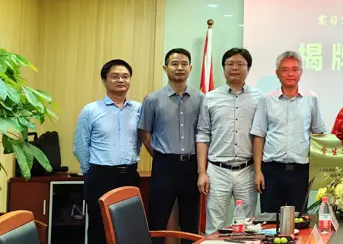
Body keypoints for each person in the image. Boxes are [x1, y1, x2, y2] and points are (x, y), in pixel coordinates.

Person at [138, 48, 203, 244]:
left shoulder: (201, 99)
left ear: (190, 68)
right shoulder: (152, 99)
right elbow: (145, 133)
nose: (179, 68)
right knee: (157, 219)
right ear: (165, 68)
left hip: (191, 166)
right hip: (164, 165)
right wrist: (159, 156)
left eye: (184, 64)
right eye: (174, 64)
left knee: (190, 221)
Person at [73, 59, 142, 244]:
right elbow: (80, 146)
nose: (121, 80)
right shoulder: (91, 110)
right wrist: (90, 171)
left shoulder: (138, 109)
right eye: (115, 76)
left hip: (129, 175)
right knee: (99, 227)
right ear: (104, 80)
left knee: (128, 226)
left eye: (125, 76)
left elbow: (140, 140)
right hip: (100, 176)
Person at [197, 48, 262, 234]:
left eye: (240, 64)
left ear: (248, 68)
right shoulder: (210, 98)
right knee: (215, 225)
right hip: (217, 170)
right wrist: (202, 172)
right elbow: (202, 135)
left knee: (247, 225)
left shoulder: (259, 98)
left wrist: (259, 171)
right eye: (230, 64)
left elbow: (261, 135)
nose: (235, 68)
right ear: (223, 67)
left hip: (247, 170)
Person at [251, 51, 326, 213]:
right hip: (271, 171)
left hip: (300, 171)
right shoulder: (266, 100)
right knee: (270, 219)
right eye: (285, 70)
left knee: (298, 220)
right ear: (277, 73)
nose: (290, 74)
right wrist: (258, 172)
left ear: (301, 72)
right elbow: (259, 135)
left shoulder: (311, 99)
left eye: (295, 69)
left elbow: (319, 134)